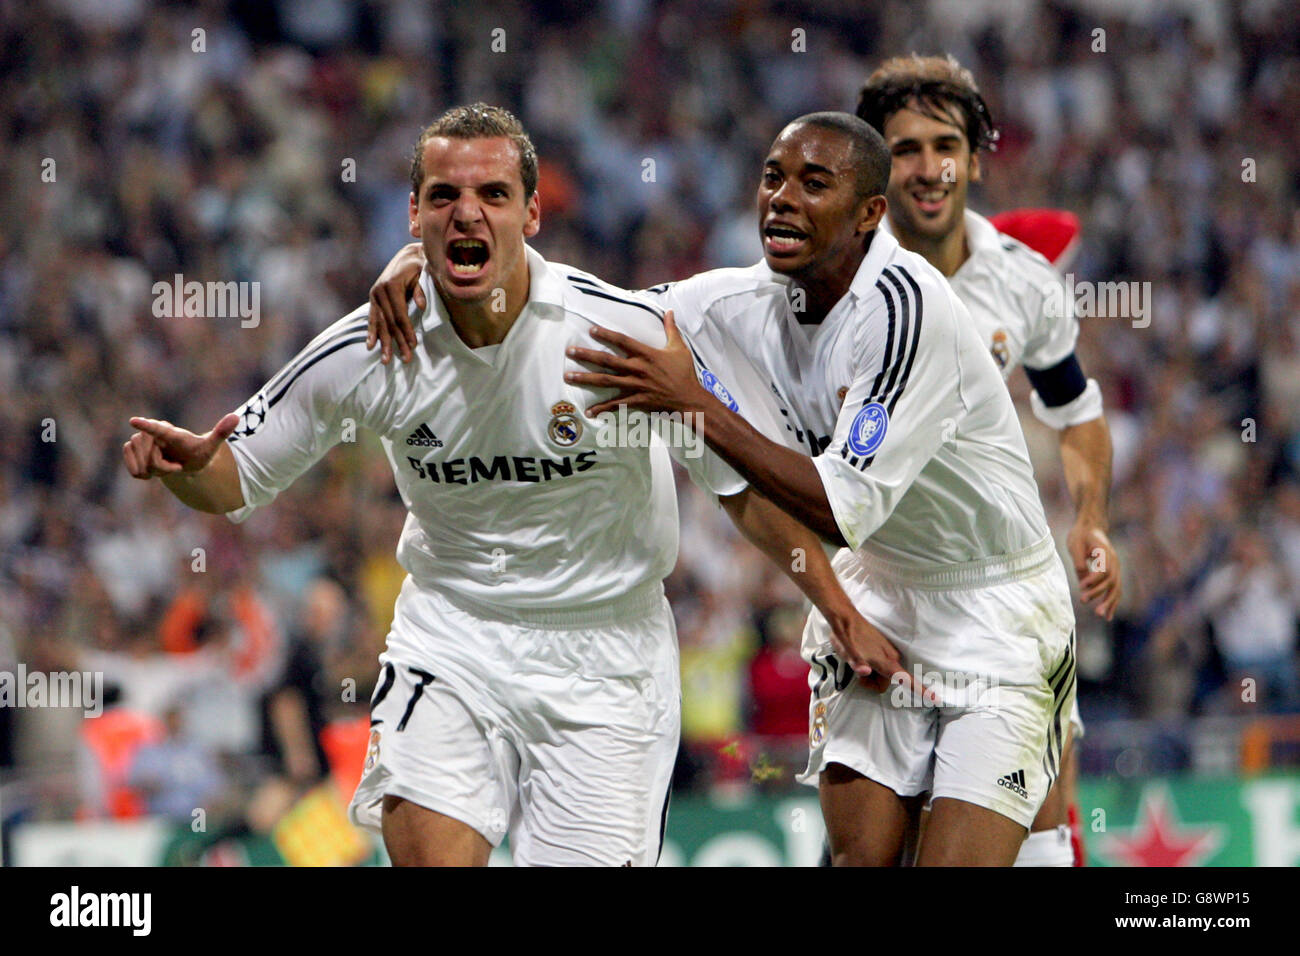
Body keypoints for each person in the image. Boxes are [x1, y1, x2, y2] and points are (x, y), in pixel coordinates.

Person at [123, 103, 903, 867]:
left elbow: (740, 490)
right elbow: (233, 480)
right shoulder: (374, 347)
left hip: (607, 656)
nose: (468, 214)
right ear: (413, 214)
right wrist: (189, 471)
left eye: (492, 195)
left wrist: (837, 610)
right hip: (453, 634)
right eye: (445, 196)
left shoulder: (615, 338)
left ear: (532, 213)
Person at [368, 112, 1078, 865]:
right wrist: (437, 268)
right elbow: (578, 311)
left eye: (814, 183)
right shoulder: (731, 302)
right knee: (862, 857)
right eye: (772, 177)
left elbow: (843, 511)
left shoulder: (907, 309)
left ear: (870, 213)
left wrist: (695, 407)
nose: (781, 198)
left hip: (995, 608)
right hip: (879, 593)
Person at [856, 53, 1121, 866]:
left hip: (1005, 590)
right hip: (880, 592)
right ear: (875, 161)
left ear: (975, 158)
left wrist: (1092, 519)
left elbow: (1077, 414)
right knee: (869, 855)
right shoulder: (836, 280)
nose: (929, 168)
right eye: (905, 148)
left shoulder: (1022, 283)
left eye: (946, 145)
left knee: (1041, 831)